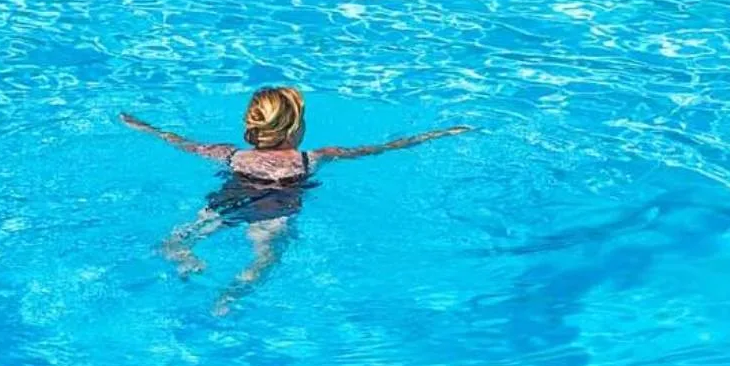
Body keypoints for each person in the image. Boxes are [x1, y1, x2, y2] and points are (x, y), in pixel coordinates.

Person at [119, 87, 470, 313]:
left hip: (232, 195)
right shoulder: (313, 157)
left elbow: (178, 141)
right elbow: (379, 149)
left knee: (178, 237)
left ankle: (184, 257)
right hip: (277, 207)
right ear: (294, 130)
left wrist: (141, 126)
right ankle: (228, 297)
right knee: (265, 258)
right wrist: (436, 134)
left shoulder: (230, 155)